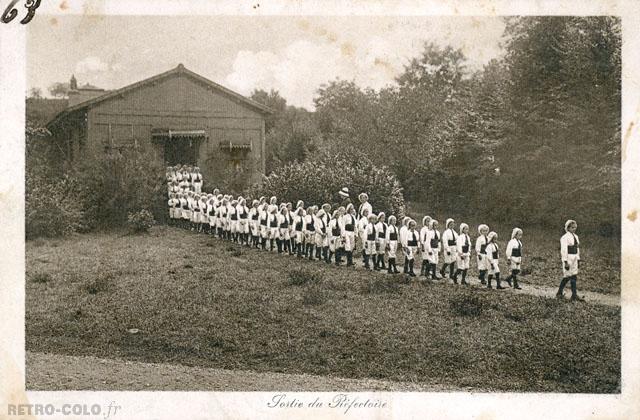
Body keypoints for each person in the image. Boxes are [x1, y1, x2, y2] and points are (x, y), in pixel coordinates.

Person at [557, 220, 583, 301]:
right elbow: (564, 250)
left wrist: (578, 259)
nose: (574, 229)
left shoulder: (576, 236)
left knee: (574, 276)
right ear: (568, 228)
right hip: (568, 258)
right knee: (568, 276)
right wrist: (565, 261)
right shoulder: (564, 237)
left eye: (575, 228)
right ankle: (560, 292)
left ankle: (574, 295)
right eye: (572, 227)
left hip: (575, 257)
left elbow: (577, 248)